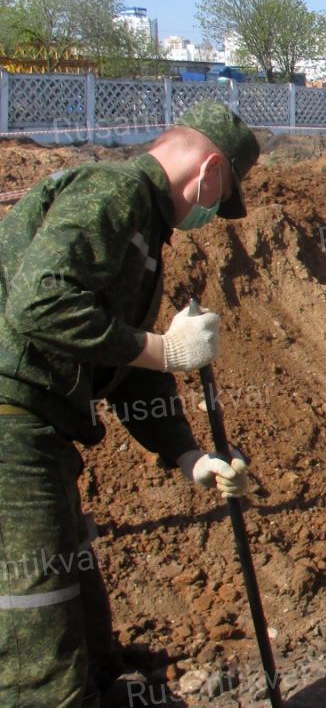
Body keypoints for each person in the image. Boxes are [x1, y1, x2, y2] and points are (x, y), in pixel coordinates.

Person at [0, 100, 259, 706]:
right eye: (221, 198)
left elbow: (131, 372)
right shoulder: (113, 192)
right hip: (11, 425)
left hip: (38, 433)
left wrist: (189, 455)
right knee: (39, 634)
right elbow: (39, 304)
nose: (212, 214)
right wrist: (164, 348)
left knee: (84, 621)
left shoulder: (142, 232)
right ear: (210, 171)